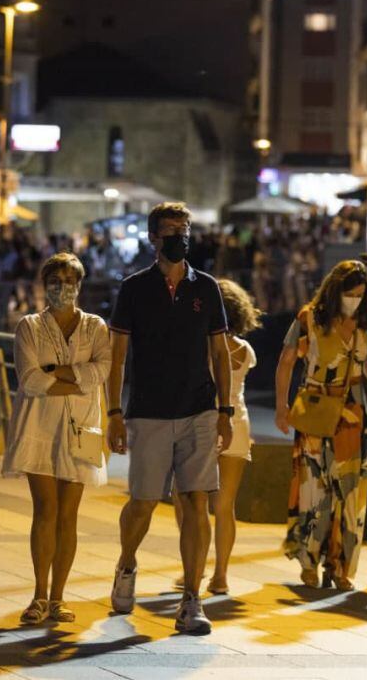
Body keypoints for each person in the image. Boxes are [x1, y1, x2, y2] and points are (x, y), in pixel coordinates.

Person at [106, 202, 234, 635]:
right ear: (152, 238)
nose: (180, 237)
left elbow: (220, 352)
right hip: (149, 411)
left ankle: (192, 599)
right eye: (170, 231)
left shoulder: (207, 287)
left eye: (184, 230)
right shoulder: (135, 288)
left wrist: (226, 410)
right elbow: (118, 357)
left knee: (197, 501)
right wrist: (114, 412)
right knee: (142, 502)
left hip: (198, 408)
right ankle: (126, 565)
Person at [3, 252, 112, 624]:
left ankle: (59, 597)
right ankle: (38, 595)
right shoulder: (29, 327)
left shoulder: (96, 327)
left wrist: (57, 371)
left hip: (83, 429)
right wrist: (76, 380)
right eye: (55, 281)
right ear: (43, 285)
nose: (62, 288)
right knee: (45, 510)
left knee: (70, 515)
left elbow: (102, 372)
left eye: (69, 282)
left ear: (79, 285)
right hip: (40, 428)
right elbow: (30, 381)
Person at [276, 260, 367, 591]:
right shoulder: (310, 318)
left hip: (352, 417)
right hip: (316, 410)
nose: (355, 300)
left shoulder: (365, 325)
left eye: (361, 294)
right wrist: (282, 406)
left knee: (348, 495)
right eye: (350, 293)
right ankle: (309, 563)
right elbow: (286, 361)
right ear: (335, 291)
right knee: (312, 490)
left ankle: (340, 567)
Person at [171, 277, 262, 595]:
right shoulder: (245, 350)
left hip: (202, 424)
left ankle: (192, 567)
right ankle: (220, 575)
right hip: (237, 424)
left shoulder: (198, 346)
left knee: (187, 501)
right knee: (225, 506)